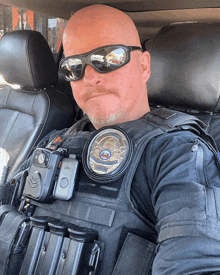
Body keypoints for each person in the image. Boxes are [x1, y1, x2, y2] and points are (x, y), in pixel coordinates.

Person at [4, 4, 220, 275]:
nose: (90, 77)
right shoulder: (53, 143)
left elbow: (195, 264)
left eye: (107, 58)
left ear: (144, 66)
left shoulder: (178, 155)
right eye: (74, 67)